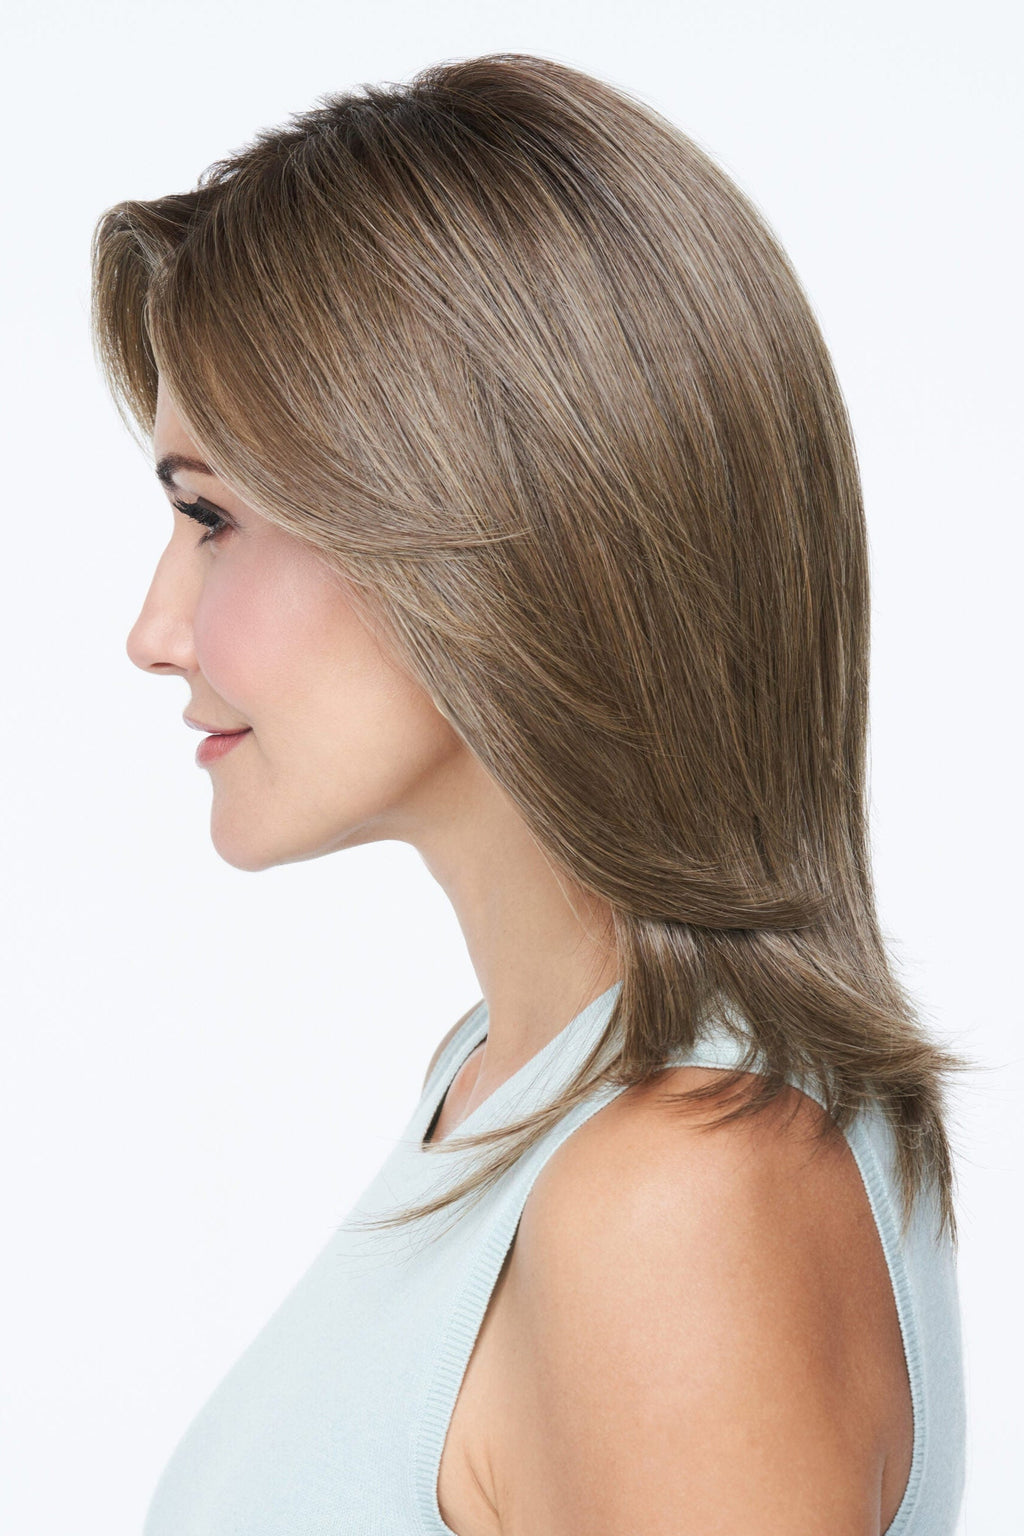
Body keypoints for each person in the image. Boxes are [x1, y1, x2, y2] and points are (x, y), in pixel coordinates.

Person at [91, 51, 966, 1536]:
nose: (153, 631)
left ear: (487, 529)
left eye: (211, 517)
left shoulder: (682, 1195)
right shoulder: (516, 1089)